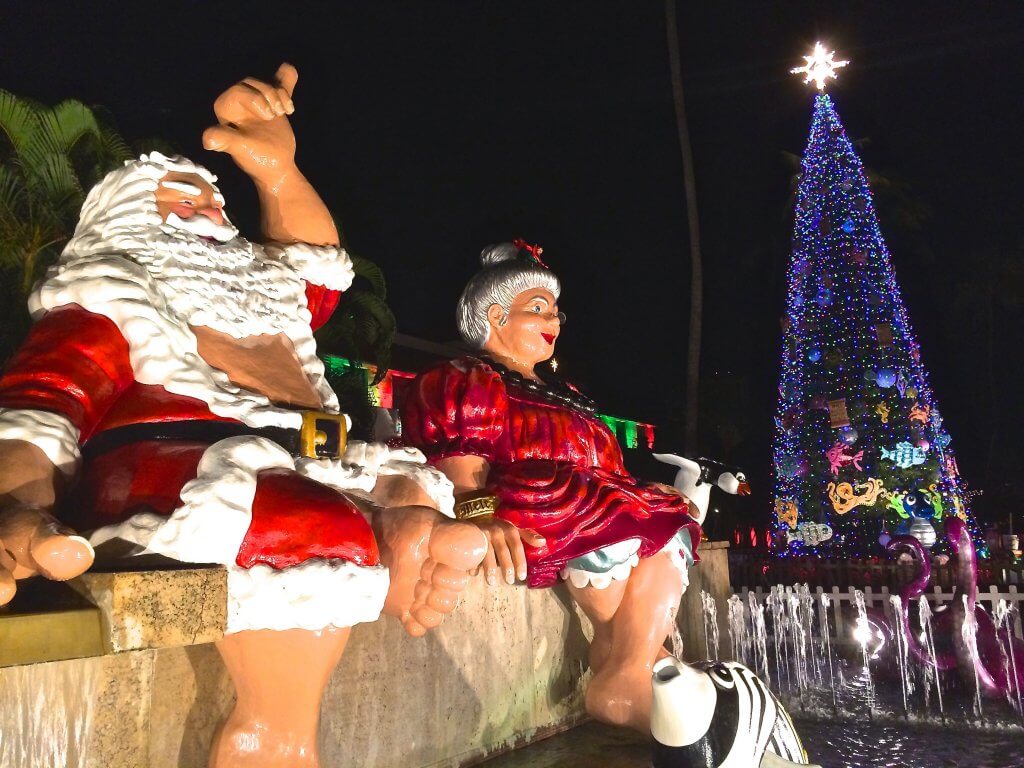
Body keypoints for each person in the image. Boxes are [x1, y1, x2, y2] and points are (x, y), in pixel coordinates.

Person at [0, 64, 485, 768]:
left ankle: (398, 527)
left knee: (409, 486)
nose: (207, 216)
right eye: (181, 204)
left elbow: (314, 267)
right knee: (313, 522)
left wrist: (279, 174)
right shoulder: (112, 292)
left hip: (316, 455)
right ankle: (274, 744)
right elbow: (46, 401)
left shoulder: (266, 300)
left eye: (213, 207)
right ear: (128, 225)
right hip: (181, 469)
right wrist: (16, 499)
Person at [402, 240, 702, 734]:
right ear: (496, 316)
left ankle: (628, 663)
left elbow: (608, 462)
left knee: (669, 511)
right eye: (538, 309)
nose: (555, 322)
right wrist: (476, 511)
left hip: (597, 497)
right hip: (539, 500)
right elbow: (461, 459)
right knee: (602, 512)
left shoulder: (569, 394)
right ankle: (634, 669)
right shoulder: (467, 375)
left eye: (557, 312)